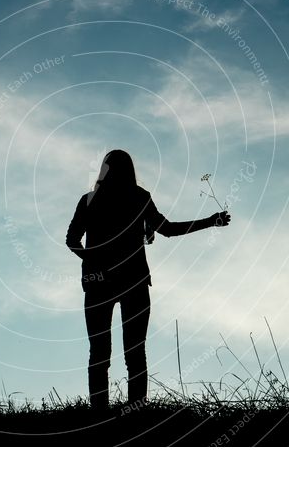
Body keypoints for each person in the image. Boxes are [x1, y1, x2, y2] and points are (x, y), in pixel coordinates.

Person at [65, 149, 230, 410]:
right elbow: (168, 229)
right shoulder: (139, 197)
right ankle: (136, 411)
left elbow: (71, 240)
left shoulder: (89, 200)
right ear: (131, 170)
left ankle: (99, 414)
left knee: (99, 353)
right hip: (134, 281)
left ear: (104, 170)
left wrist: (92, 260)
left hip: (99, 282)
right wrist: (210, 221)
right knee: (135, 351)